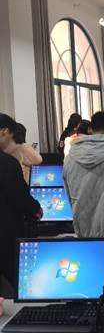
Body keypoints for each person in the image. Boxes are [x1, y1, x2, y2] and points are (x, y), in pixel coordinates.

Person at [0, 114, 42, 295]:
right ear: (4, 132)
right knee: (15, 282)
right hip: (6, 234)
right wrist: (36, 209)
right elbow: (20, 196)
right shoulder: (6, 163)